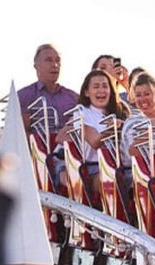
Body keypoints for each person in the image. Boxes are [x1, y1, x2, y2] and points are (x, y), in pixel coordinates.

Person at [54, 69, 130, 201]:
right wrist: (112, 129)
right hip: (91, 167)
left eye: (105, 86)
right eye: (96, 86)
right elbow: (94, 141)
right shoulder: (82, 113)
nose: (101, 90)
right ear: (87, 92)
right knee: (111, 180)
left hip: (118, 165)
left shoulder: (120, 111)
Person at [17, 44, 79, 132]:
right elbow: (21, 134)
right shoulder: (24, 96)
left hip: (68, 144)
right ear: (36, 66)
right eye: (48, 60)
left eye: (58, 60)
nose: (55, 65)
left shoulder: (74, 98)